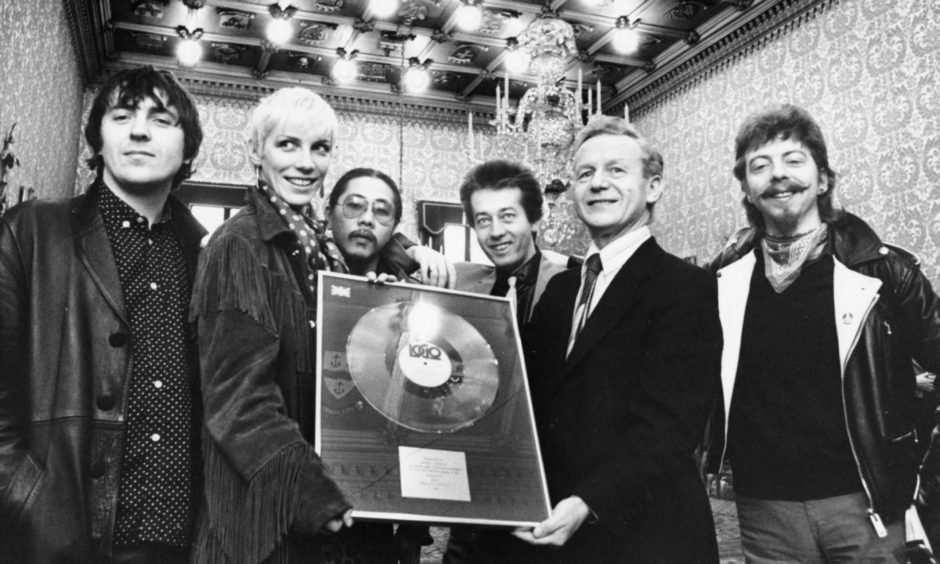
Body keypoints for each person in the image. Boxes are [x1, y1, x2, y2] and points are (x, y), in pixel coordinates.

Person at [190, 88, 441, 564]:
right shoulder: (238, 245)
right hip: (263, 527)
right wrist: (309, 491)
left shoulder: (316, 248)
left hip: (325, 522)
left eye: (319, 148)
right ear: (255, 152)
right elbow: (237, 399)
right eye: (288, 145)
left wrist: (390, 281)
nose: (305, 163)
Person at [464, 116, 723, 563]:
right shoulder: (562, 290)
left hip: (645, 537)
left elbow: (667, 430)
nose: (598, 184)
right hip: (560, 535)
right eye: (585, 174)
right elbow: (517, 401)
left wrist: (588, 502)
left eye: (616, 171)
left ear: (654, 187)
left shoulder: (685, 287)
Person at [705, 103, 940, 562]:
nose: (778, 175)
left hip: (870, 509)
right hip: (763, 512)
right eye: (760, 165)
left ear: (824, 178)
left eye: (794, 160)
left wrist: (926, 479)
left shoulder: (883, 271)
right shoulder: (722, 278)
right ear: (747, 190)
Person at [0, 66, 206, 562]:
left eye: (161, 120)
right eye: (121, 116)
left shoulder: (210, 254)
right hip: (60, 536)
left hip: (185, 543)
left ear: (188, 147)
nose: (139, 130)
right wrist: (24, 495)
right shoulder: (31, 232)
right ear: (97, 139)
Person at [450, 159, 571, 323]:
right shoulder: (458, 279)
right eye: (484, 220)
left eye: (508, 216)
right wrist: (414, 251)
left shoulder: (572, 284)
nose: (496, 232)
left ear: (533, 219)